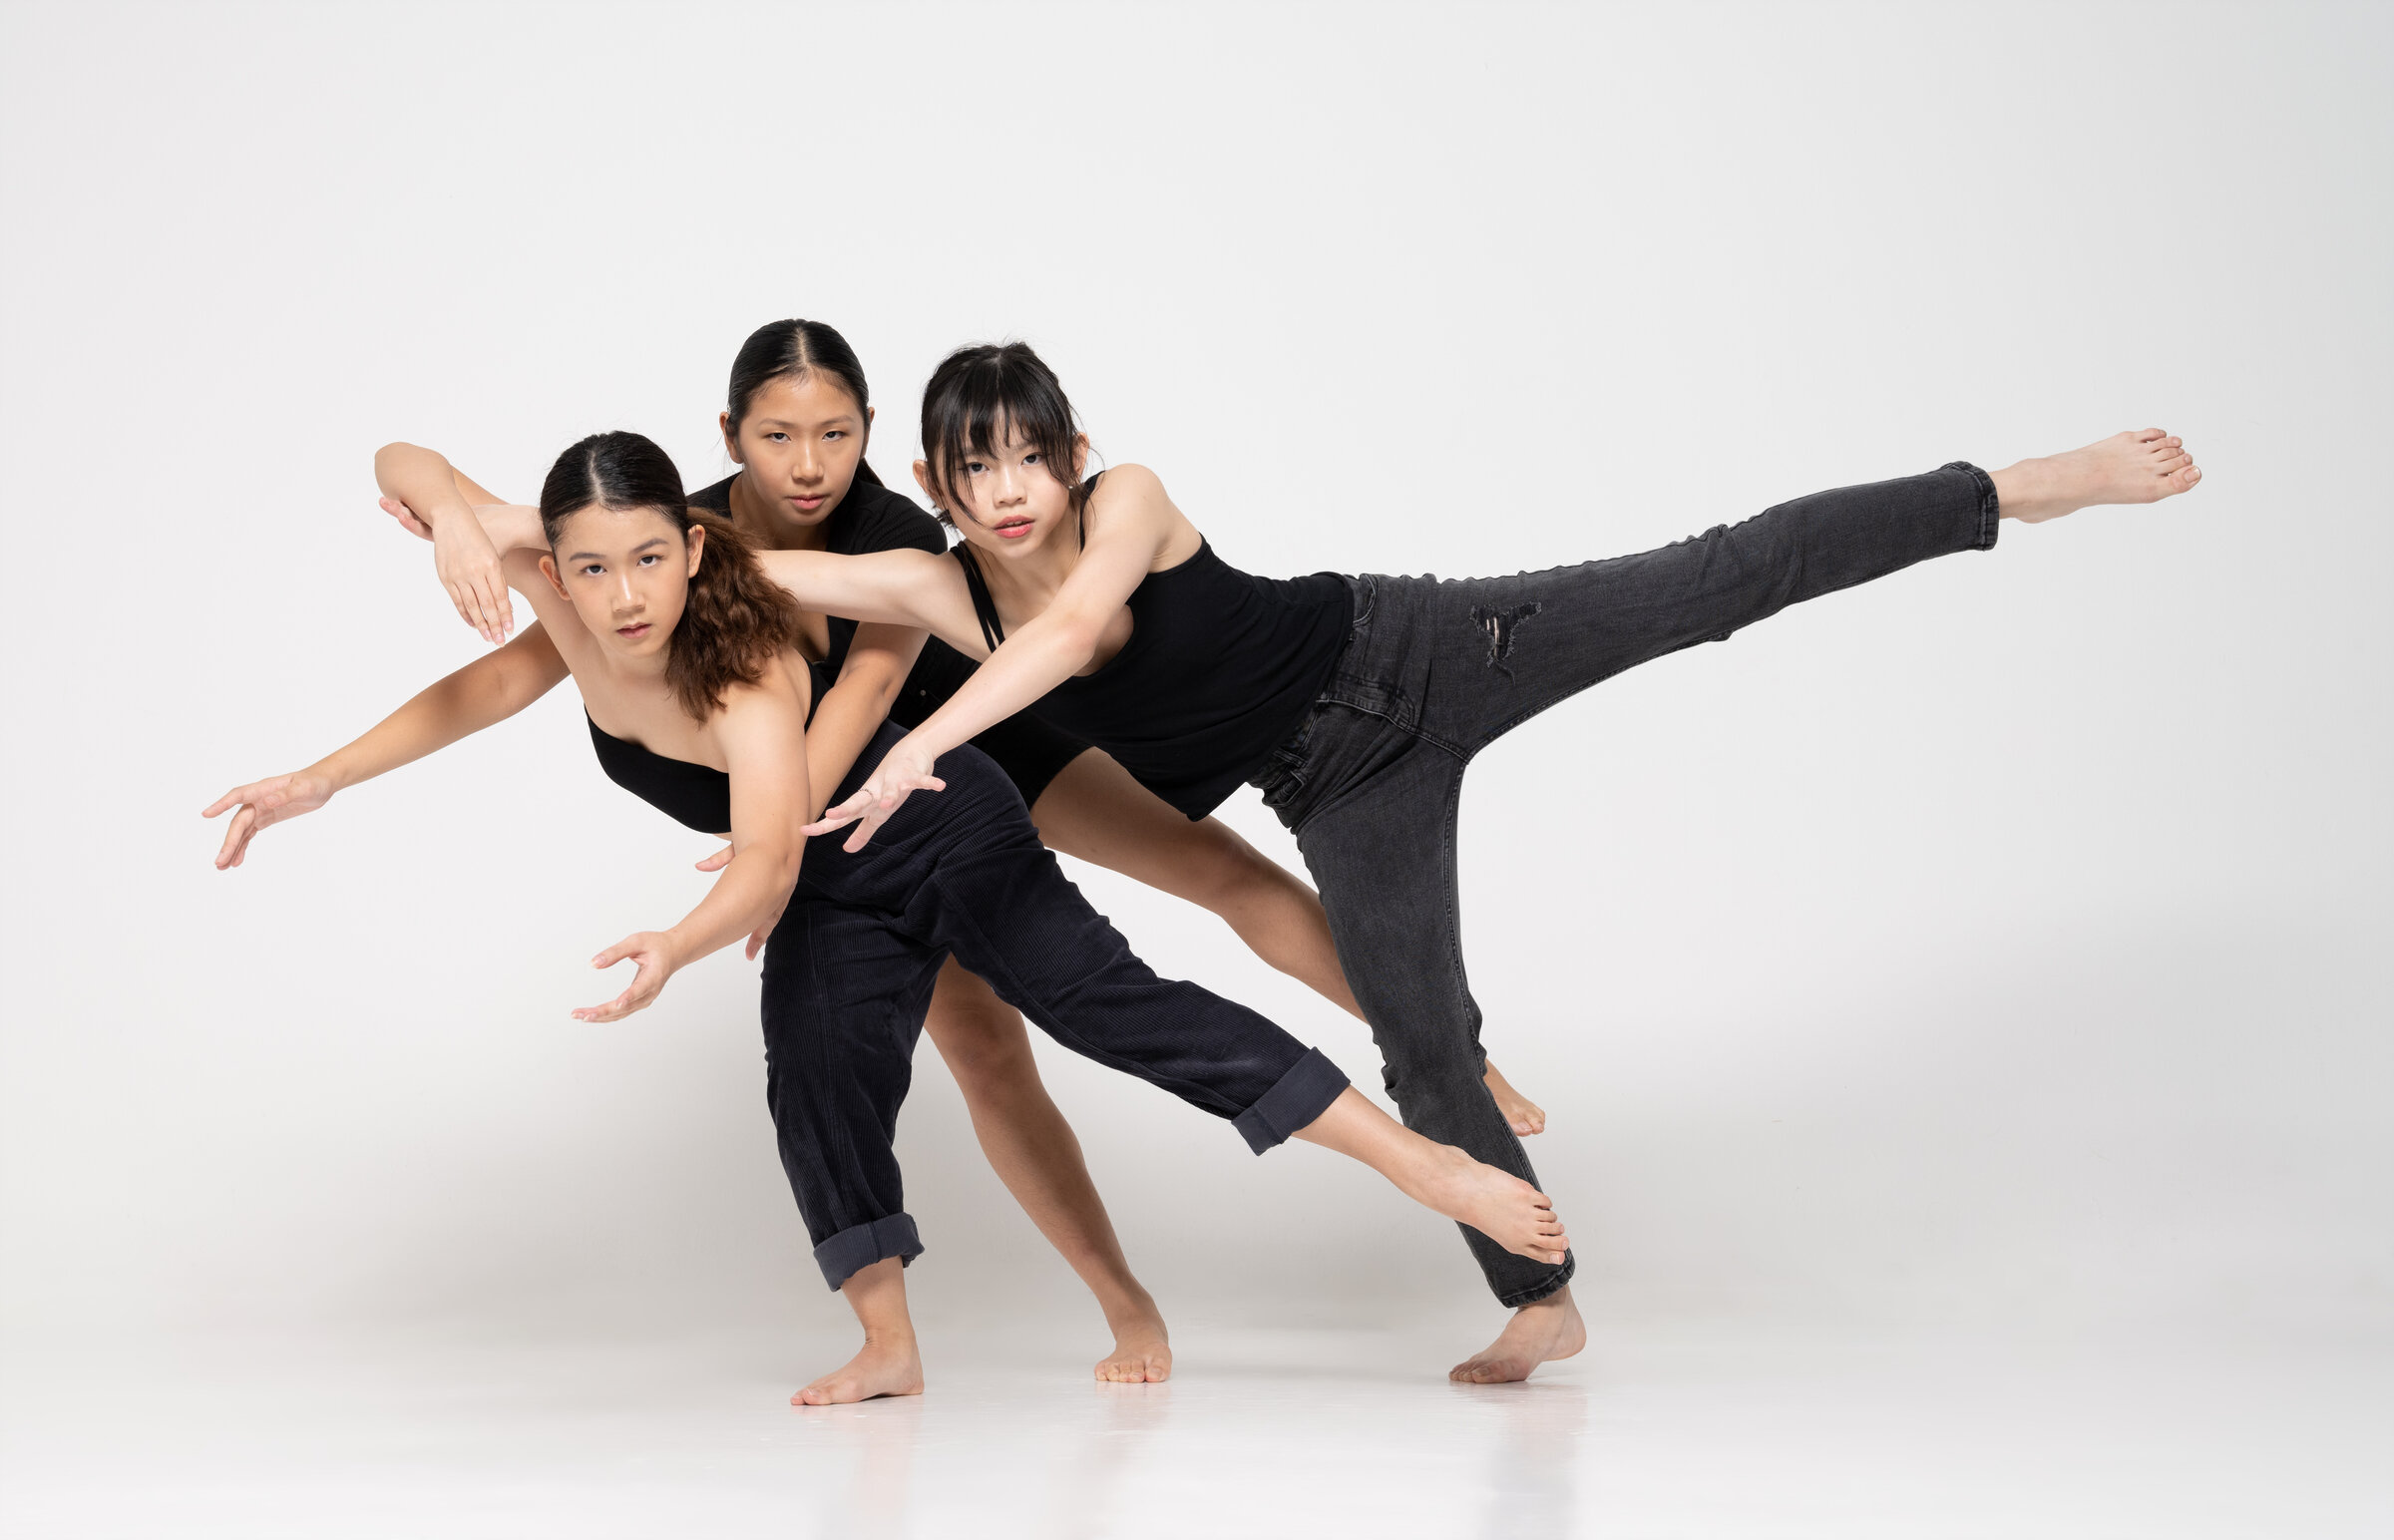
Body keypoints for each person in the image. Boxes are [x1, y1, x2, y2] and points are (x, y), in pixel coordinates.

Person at [453, 341, 2200, 1383]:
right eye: (968, 468)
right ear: (931, 477)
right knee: (1424, 1052)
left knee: (1710, 579)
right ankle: (1541, 1309)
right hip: (1336, 790)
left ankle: (2016, 486)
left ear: (1068, 448)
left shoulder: (1122, 500)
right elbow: (684, 559)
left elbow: (1068, 644)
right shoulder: (919, 580)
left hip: (1425, 655)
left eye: (1025, 456)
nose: (1005, 492)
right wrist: (496, 521)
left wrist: (915, 740)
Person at [208, 430, 1569, 1406]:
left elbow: (759, 864)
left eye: (646, 560)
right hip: (832, 859)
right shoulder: (567, 605)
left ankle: (1426, 1166)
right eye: (587, 569)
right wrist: (341, 735)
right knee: (812, 1073)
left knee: (1113, 1009)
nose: (622, 599)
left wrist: (682, 943)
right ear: (549, 567)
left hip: (929, 822)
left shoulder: (735, 659)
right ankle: (888, 1345)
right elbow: (422, 508)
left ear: (694, 546)